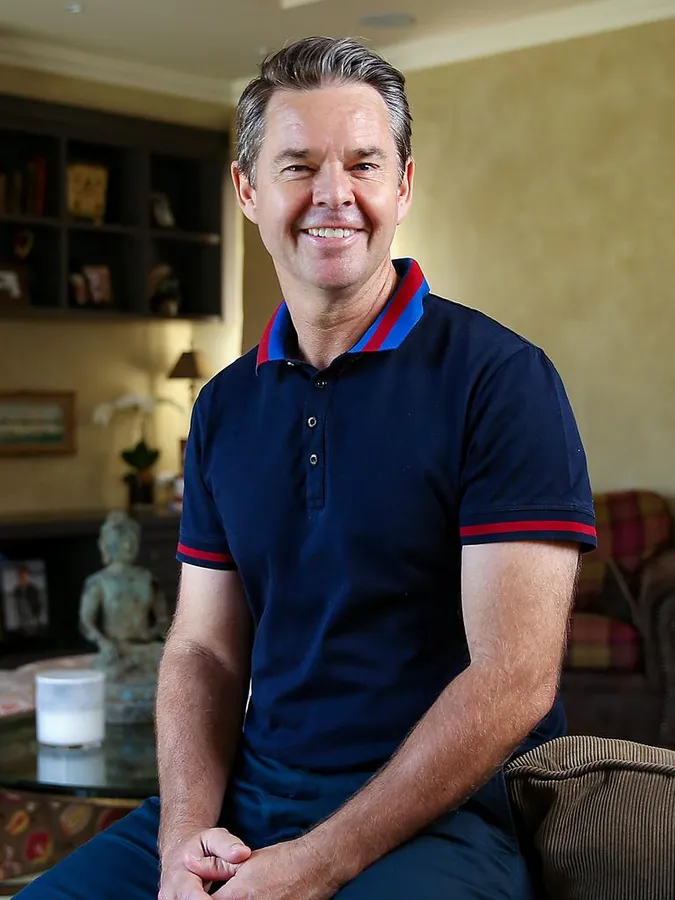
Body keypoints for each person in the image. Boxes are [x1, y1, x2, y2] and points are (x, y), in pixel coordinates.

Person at [18, 36, 596, 900]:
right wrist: (183, 842)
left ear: (402, 185)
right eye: (298, 166)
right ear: (248, 190)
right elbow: (204, 651)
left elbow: (513, 680)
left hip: (444, 818)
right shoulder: (222, 407)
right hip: (251, 799)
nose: (334, 194)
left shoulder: (500, 380)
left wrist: (314, 865)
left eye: (363, 164)